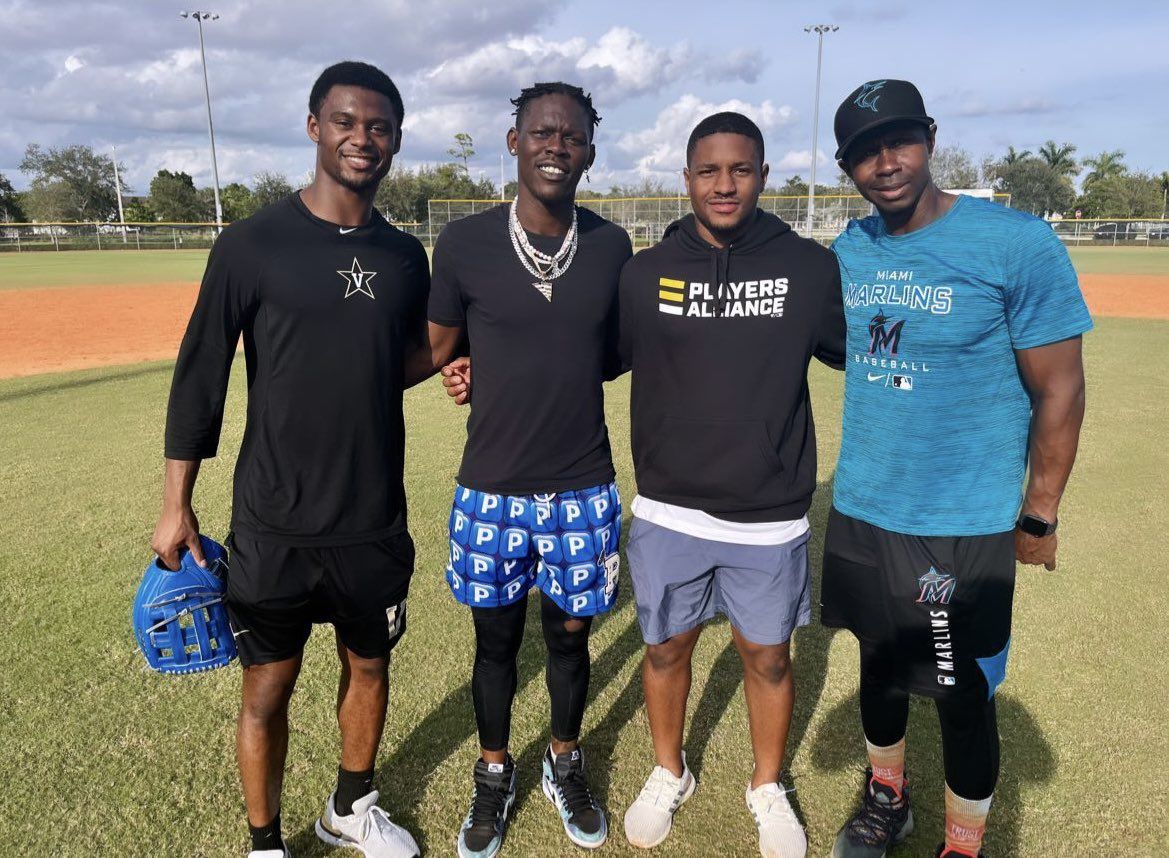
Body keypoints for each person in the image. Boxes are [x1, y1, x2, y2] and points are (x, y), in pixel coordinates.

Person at [152, 61, 456, 858]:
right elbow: (201, 373)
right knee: (268, 686)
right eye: (347, 122)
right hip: (273, 518)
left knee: (370, 666)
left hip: (370, 517)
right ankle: (264, 844)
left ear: (394, 138)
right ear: (315, 126)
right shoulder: (251, 243)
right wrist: (175, 502)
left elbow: (389, 361)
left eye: (380, 126)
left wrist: (455, 358)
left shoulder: (400, 256)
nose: (364, 138)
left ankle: (350, 809)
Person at [822, 79, 1091, 858]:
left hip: (962, 524)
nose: (885, 162)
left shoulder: (1014, 244)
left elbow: (1060, 389)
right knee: (876, 669)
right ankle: (885, 802)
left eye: (898, 140)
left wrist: (1038, 512)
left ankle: (962, 844)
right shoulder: (851, 248)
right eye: (865, 152)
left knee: (961, 694)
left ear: (930, 137)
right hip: (865, 507)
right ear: (847, 166)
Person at [616, 112, 845, 858]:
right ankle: (668, 769)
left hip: (768, 514)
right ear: (686, 179)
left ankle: (766, 784)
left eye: (739, 169)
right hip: (668, 507)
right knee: (663, 651)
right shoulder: (644, 273)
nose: (723, 184)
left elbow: (857, 353)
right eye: (708, 171)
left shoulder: (809, 268)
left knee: (769, 657)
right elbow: (579, 355)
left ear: (763, 175)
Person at [426, 82, 632, 857]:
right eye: (541, 132)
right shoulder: (467, 243)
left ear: (588, 148)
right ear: (513, 143)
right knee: (495, 645)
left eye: (571, 135)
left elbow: (612, 353)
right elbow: (444, 343)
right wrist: (463, 369)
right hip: (490, 486)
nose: (555, 145)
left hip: (582, 482)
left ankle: (564, 759)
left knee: (571, 639)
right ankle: (492, 770)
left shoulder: (611, 245)